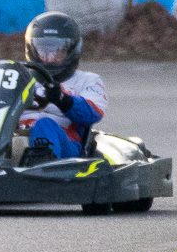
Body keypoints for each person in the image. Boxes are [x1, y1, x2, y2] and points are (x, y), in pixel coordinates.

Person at [12, 11, 108, 164]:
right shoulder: (18, 78)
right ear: (32, 49)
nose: (50, 58)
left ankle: (42, 168)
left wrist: (62, 100)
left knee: (44, 124)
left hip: (67, 145)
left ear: (72, 51)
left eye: (58, 51)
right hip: (16, 137)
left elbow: (93, 113)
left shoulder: (87, 80)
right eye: (44, 50)